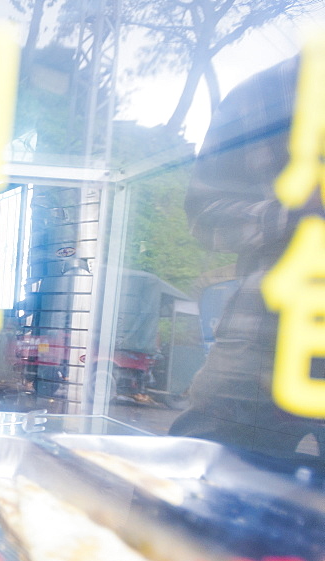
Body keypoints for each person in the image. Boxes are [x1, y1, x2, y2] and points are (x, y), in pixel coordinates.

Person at [168, 55, 325, 474]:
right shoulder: (262, 94)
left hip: (261, 338)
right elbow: (203, 216)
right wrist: (294, 213)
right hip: (263, 338)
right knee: (186, 482)